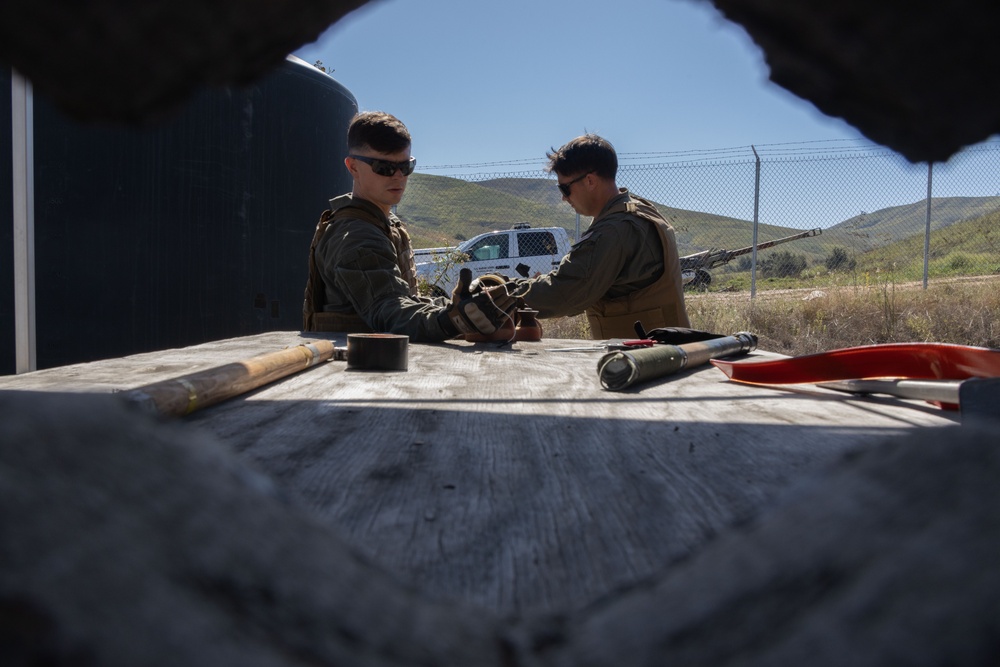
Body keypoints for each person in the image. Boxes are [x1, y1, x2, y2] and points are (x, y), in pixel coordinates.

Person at [303, 111, 516, 341]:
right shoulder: (355, 236)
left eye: (405, 166)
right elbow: (389, 311)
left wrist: (466, 305)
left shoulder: (385, 224)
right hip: (355, 369)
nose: (398, 176)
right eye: (383, 167)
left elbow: (405, 299)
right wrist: (451, 320)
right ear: (353, 167)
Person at [507, 134, 690, 339]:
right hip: (662, 351)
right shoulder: (637, 209)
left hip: (649, 359)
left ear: (590, 180)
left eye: (565, 188)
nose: (563, 197)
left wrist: (499, 296)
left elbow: (564, 292)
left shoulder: (615, 230)